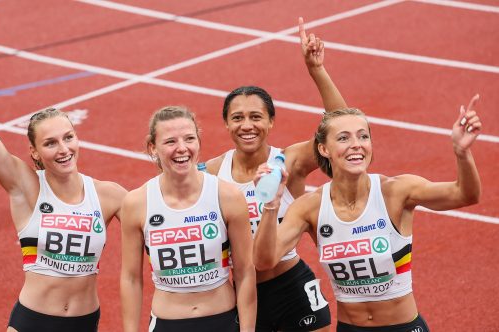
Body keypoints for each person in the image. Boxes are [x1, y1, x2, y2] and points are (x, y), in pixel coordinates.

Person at [0, 31, 127, 332]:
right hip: (33, 322)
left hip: (85, 322)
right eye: (50, 143)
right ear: (34, 151)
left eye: (68, 138)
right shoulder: (26, 187)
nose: (63, 150)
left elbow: (161, 221)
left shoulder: (108, 195)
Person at [253, 98, 482, 332]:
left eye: (363, 136)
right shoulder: (309, 207)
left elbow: (464, 195)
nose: (356, 144)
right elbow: (264, 261)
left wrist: (462, 152)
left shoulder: (395, 191)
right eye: (344, 138)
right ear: (324, 149)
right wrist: (271, 206)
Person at [199, 18, 345, 331]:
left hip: (291, 286)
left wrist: (316, 69)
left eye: (256, 117)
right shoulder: (213, 171)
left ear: (271, 122)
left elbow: (338, 127)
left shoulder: (289, 161)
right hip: (242, 294)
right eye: (237, 118)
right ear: (226, 123)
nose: (246, 125)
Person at [120, 106, 257, 331]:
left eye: (189, 139)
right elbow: (131, 278)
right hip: (167, 323)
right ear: (152, 147)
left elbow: (244, 272)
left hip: (222, 320)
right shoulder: (137, 203)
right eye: (170, 141)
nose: (182, 148)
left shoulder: (228, 196)